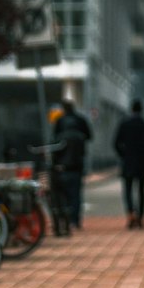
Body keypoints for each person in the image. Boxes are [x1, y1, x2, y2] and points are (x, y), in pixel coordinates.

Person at [52, 96, 93, 229]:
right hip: (77, 165)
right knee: (76, 194)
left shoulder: (60, 125)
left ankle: (66, 219)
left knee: (63, 194)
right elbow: (89, 136)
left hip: (63, 166)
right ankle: (75, 220)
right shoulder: (81, 124)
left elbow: (54, 146)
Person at [113, 99, 144, 228]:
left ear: (131, 109)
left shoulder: (124, 124)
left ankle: (130, 214)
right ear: (142, 110)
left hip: (128, 161)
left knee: (128, 190)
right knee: (141, 190)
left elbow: (116, 143)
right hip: (142, 162)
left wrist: (123, 155)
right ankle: (141, 217)